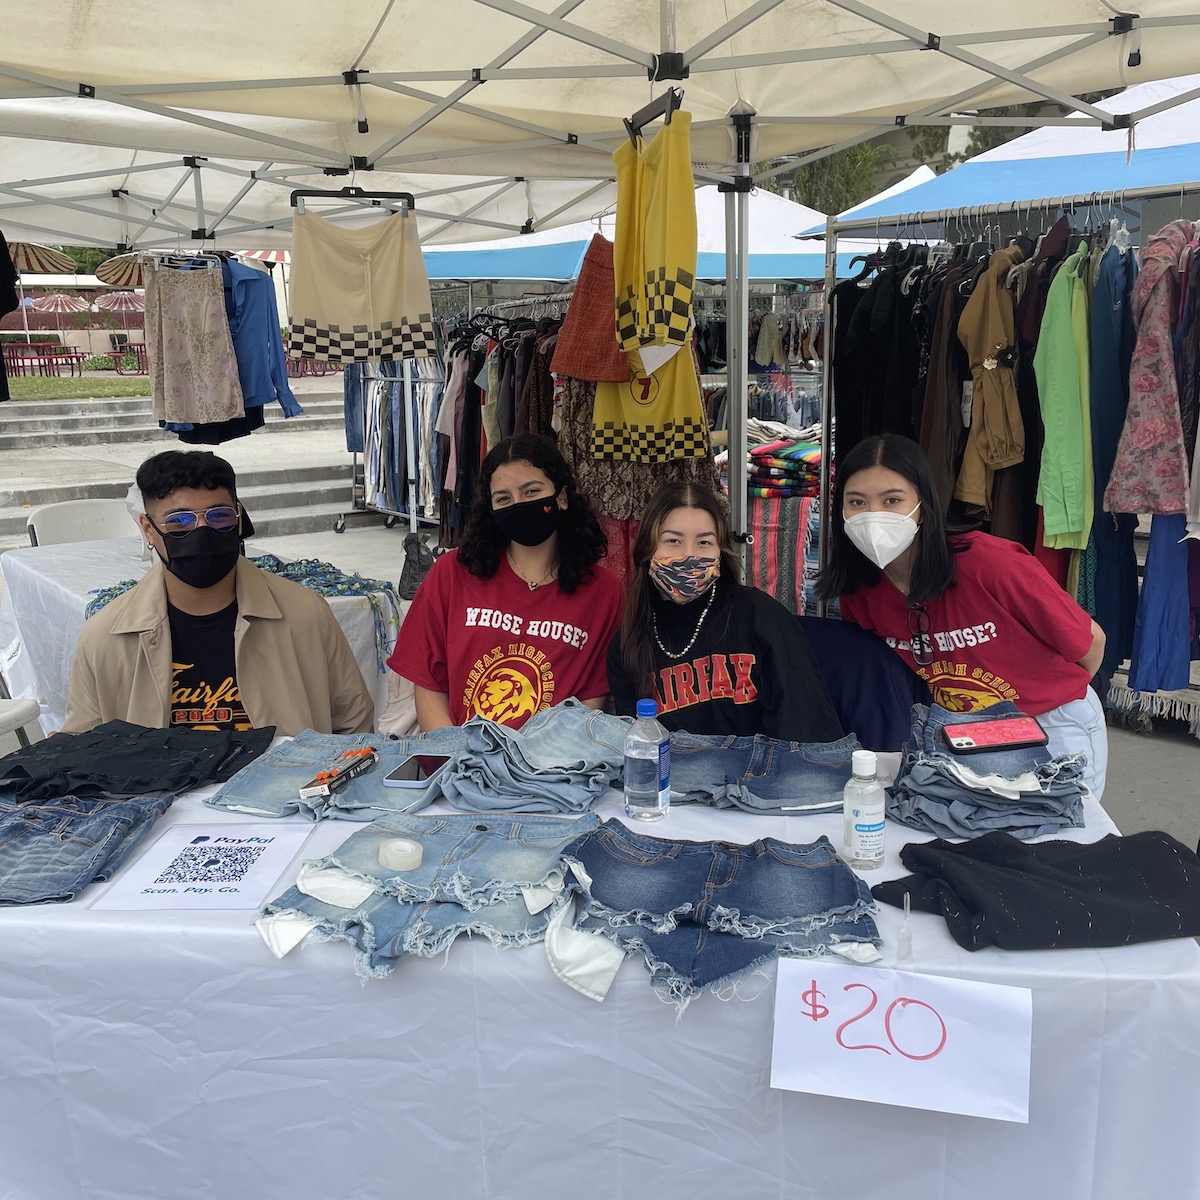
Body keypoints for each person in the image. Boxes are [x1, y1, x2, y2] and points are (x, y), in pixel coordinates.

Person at [817, 434, 1108, 795]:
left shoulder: (991, 564)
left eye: (892, 500)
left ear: (923, 503)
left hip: (1052, 725)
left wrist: (1050, 696)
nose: (873, 515)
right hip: (962, 732)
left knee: (1063, 827)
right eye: (857, 502)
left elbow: (1090, 644)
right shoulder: (859, 592)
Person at [63, 450, 374, 736]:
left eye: (219, 517)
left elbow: (353, 723)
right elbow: (83, 746)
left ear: (238, 520)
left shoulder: (305, 614)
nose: (202, 532)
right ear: (148, 529)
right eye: (179, 521)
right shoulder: (105, 637)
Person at [390, 433, 623, 730]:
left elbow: (591, 701)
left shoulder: (603, 592)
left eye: (531, 491)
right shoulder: (451, 573)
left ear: (562, 497)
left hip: (553, 756)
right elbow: (428, 684)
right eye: (503, 498)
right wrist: (453, 753)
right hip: (459, 753)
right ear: (491, 508)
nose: (518, 505)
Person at [607, 481, 843, 742]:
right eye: (673, 541)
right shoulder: (627, 645)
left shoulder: (761, 617)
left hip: (762, 766)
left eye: (704, 542)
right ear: (647, 549)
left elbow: (806, 733)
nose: (689, 555)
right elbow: (637, 747)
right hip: (671, 768)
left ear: (720, 551)